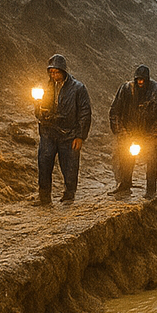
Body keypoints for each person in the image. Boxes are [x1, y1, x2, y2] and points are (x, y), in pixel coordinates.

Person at [33, 54, 90, 205]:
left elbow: (85, 112)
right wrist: (40, 110)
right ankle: (44, 197)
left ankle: (69, 195)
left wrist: (80, 136)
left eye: (56, 72)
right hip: (48, 132)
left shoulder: (78, 88)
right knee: (44, 164)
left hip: (69, 134)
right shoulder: (46, 88)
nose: (54, 75)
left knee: (69, 166)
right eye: (51, 72)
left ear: (64, 71)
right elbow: (38, 111)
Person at [108, 64, 157, 197]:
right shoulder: (125, 89)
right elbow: (115, 111)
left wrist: (152, 138)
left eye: (143, 80)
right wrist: (122, 132)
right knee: (124, 158)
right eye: (138, 80)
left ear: (147, 80)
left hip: (147, 133)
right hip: (129, 132)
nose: (140, 82)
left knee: (151, 159)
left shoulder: (156, 91)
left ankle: (151, 188)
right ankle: (124, 184)